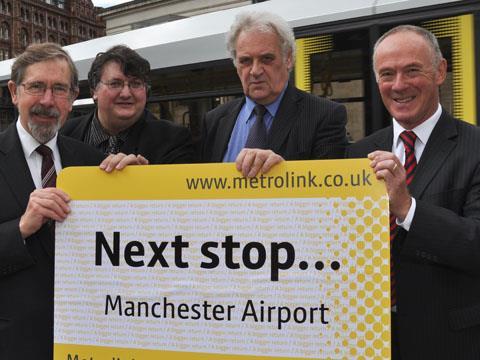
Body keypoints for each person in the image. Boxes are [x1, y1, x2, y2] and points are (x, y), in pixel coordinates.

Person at [0, 43, 147, 359]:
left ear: (72, 96)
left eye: (59, 89)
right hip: (13, 344)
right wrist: (22, 228)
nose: (47, 101)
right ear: (14, 92)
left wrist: (136, 193)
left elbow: (128, 251)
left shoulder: (93, 161)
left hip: (88, 338)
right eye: (36, 87)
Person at [346, 25, 480, 359]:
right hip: (367, 338)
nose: (399, 85)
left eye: (412, 70)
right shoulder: (356, 153)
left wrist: (408, 208)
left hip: (448, 341)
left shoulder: (475, 146)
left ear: (440, 71)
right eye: (387, 74)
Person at [201, 11, 347, 177]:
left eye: (266, 59)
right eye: (245, 61)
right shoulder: (215, 120)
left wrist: (283, 173)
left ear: (288, 59)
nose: (255, 71)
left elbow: (330, 190)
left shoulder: (324, 116)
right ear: (236, 64)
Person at [61, 45, 194, 164]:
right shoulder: (63, 133)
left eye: (136, 84)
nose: (126, 93)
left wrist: (144, 179)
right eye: (115, 84)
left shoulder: (173, 139)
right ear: (94, 91)